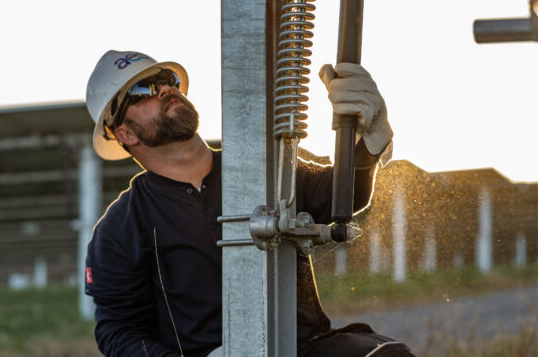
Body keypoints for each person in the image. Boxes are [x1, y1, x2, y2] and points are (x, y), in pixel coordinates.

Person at [84, 50, 415, 357]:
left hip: (304, 347)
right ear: (125, 133)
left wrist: (365, 144)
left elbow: (341, 197)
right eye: (143, 90)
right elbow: (119, 332)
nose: (164, 90)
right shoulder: (119, 229)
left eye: (167, 80)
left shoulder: (263, 170)